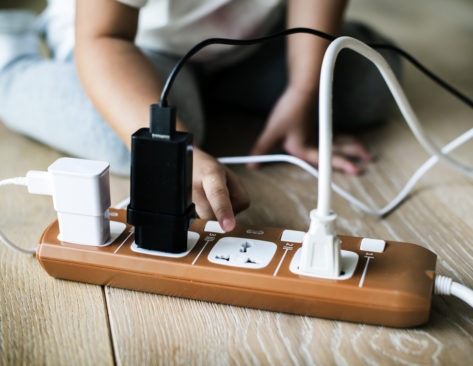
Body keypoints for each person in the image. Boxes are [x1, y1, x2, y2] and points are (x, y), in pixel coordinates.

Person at [0, 0, 400, 232]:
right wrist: (173, 149)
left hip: (242, 40)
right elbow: (103, 37)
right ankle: (11, 63)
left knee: (370, 79)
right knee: (132, 146)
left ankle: (204, 90)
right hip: (128, 43)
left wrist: (304, 92)